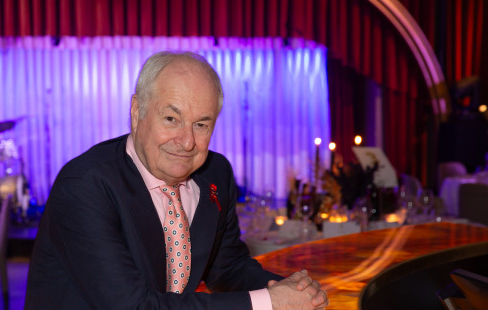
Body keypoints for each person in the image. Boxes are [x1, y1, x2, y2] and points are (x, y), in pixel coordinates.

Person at [25, 51, 329, 309]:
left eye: (201, 124)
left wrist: (289, 290)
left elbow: (227, 267)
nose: (186, 142)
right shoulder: (85, 186)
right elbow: (135, 306)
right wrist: (267, 302)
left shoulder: (215, 172)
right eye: (171, 119)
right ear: (136, 112)